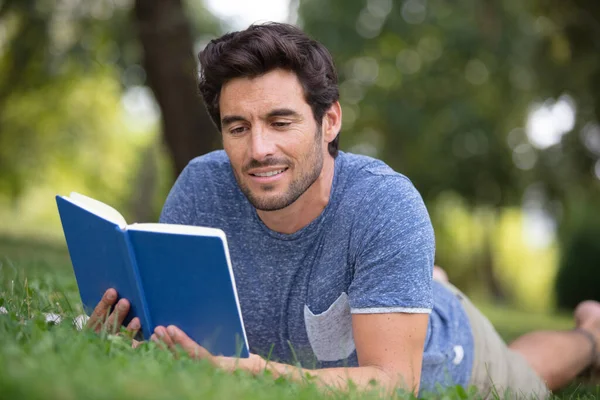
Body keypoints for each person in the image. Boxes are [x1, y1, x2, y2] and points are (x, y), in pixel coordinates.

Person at [87, 23, 600, 398]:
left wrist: (252, 373)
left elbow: (394, 383)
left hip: (448, 358)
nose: (257, 148)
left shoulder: (384, 204)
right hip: (375, 295)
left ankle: (590, 334)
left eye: (281, 122)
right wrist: (129, 326)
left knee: (528, 376)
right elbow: (169, 327)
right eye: (237, 127)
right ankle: (416, 281)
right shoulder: (202, 187)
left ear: (329, 121)